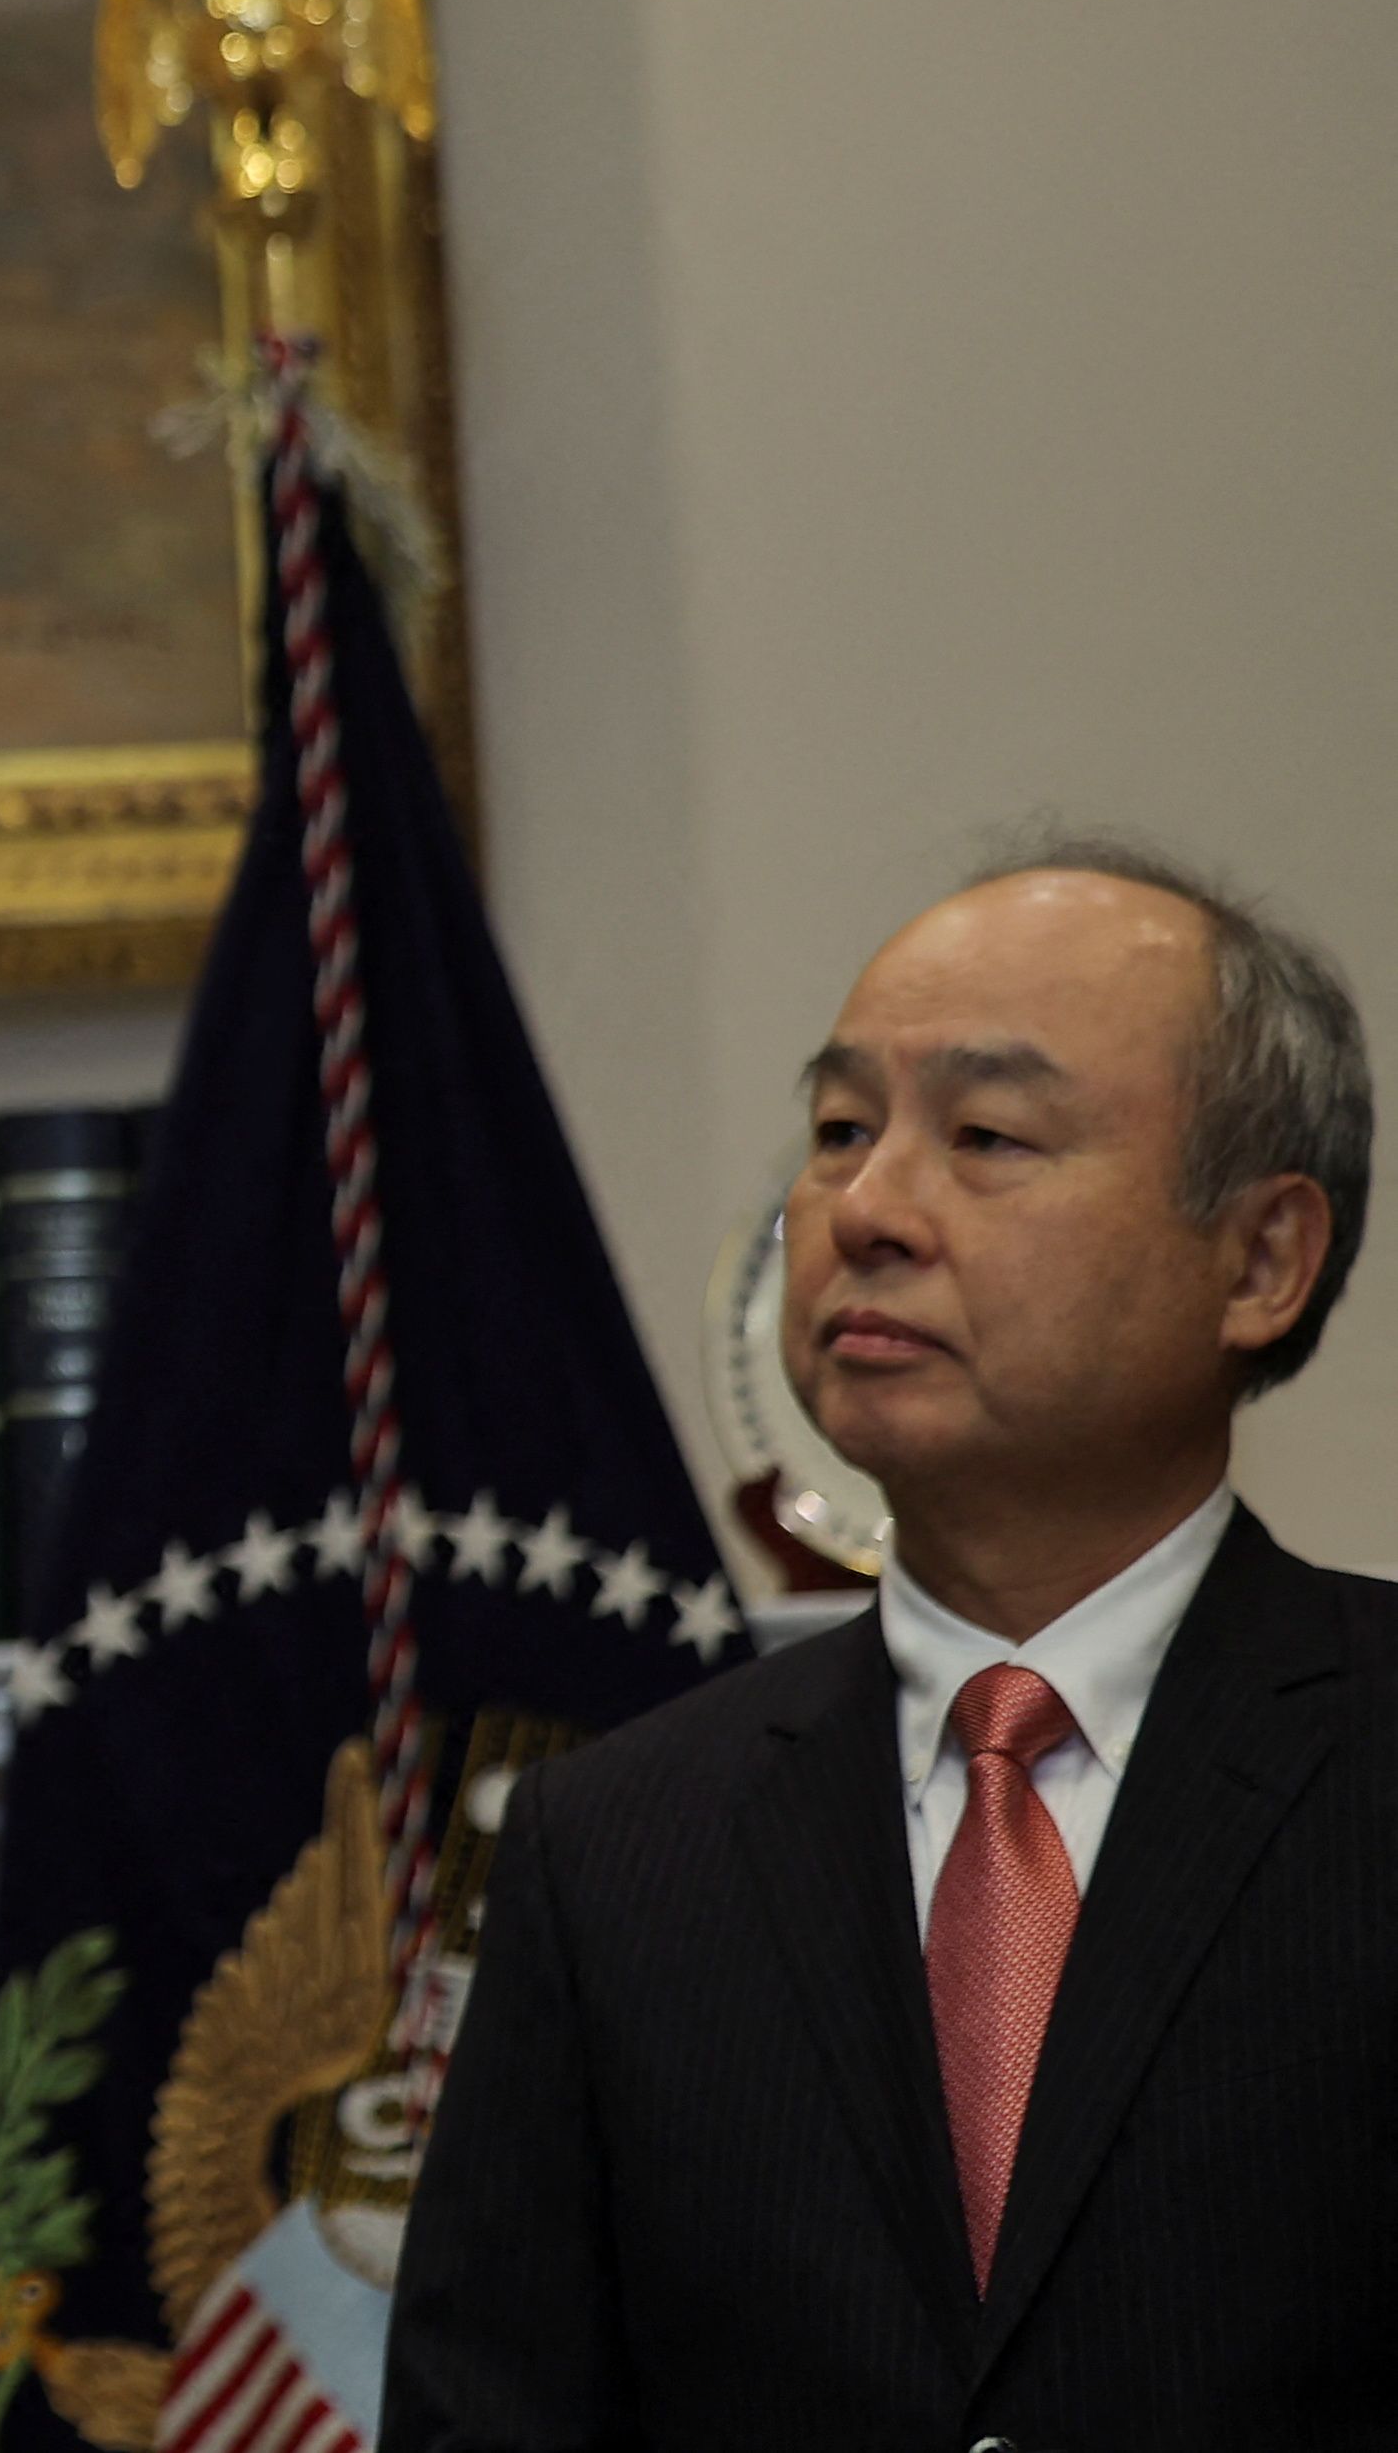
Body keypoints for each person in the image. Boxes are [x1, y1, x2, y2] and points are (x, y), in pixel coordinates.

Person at [385, 837, 1397, 2449]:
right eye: (840, 1127)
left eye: (986, 1133)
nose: (864, 1207)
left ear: (1263, 1256)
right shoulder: (621, 1839)